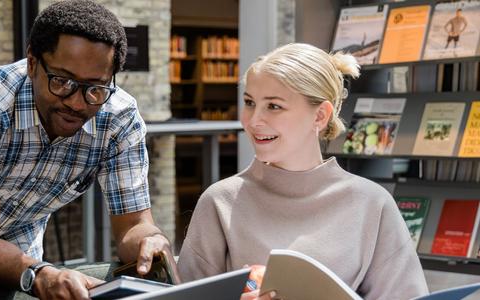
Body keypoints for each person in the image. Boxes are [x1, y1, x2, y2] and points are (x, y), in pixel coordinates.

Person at [0, 1, 171, 299]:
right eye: (62, 81)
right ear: (33, 63)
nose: (77, 102)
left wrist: (152, 241)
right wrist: (41, 274)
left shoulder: (119, 119)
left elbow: (133, 225)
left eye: (95, 88)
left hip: (19, 255)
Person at [176, 43, 428, 300]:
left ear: (320, 116)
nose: (253, 121)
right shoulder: (219, 202)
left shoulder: (373, 204)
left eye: (274, 106)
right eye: (250, 102)